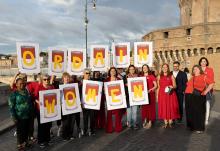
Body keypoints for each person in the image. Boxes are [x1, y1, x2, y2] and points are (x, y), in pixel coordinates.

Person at [185, 65, 214, 133]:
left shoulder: (204, 76)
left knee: (199, 112)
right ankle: (191, 126)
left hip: (199, 96)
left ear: (200, 69)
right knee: (190, 112)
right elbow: (188, 85)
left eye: (196, 69)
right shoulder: (192, 77)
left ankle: (199, 128)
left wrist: (206, 91)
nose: (195, 70)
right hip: (189, 95)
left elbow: (212, 83)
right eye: (194, 69)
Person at [8, 78, 33, 151]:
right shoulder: (14, 94)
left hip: (28, 115)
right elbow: (11, 107)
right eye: (20, 83)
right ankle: (20, 145)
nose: (22, 85)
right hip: (19, 116)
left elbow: (29, 102)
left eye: (23, 83)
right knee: (20, 131)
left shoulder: (26, 92)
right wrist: (13, 117)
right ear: (16, 85)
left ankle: (26, 142)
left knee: (27, 130)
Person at [34, 74, 54, 148]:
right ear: (42, 80)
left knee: (48, 125)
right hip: (41, 110)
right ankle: (41, 141)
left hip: (49, 109)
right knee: (41, 126)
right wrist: (38, 102)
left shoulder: (51, 87)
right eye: (45, 79)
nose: (46, 81)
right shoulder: (39, 87)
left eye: (48, 79)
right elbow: (35, 97)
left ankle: (47, 140)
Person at [157, 63, 180, 128]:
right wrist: (157, 96)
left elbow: (175, 85)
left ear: (168, 68)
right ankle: (165, 122)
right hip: (162, 94)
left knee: (170, 106)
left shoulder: (171, 76)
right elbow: (158, 87)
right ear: (161, 68)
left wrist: (172, 86)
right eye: (163, 67)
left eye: (166, 67)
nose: (164, 68)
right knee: (163, 107)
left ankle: (170, 121)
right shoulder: (159, 76)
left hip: (170, 94)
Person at [105, 67, 123, 133]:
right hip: (110, 99)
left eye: (114, 71)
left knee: (118, 114)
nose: (113, 72)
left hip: (117, 99)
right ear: (109, 72)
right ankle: (109, 128)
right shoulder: (106, 80)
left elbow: (121, 89)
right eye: (111, 71)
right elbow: (104, 89)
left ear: (116, 72)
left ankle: (118, 128)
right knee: (109, 114)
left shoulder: (118, 79)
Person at [199, 57, 215, 125]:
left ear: (206, 62)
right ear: (200, 62)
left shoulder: (210, 70)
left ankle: (206, 119)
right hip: (199, 89)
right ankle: (200, 118)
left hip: (207, 89)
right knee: (199, 105)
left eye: (204, 61)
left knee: (207, 104)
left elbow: (211, 80)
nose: (203, 62)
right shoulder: (198, 69)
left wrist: (205, 77)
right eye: (202, 61)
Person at [141, 64, 157, 129]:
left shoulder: (151, 76)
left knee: (150, 108)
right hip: (143, 95)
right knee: (144, 108)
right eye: (143, 68)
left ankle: (150, 121)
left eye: (146, 67)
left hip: (150, 94)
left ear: (148, 68)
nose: (145, 69)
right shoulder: (140, 76)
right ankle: (145, 120)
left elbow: (155, 86)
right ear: (142, 69)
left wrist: (151, 89)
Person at [80, 69, 96, 136]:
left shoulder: (92, 82)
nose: (88, 74)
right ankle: (85, 130)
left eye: (89, 73)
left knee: (92, 117)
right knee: (85, 117)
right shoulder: (80, 83)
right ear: (83, 74)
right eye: (86, 73)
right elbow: (79, 93)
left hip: (92, 102)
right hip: (84, 103)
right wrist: (80, 102)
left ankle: (92, 130)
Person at [125, 65, 139, 130]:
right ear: (128, 70)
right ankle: (129, 124)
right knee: (129, 112)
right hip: (128, 96)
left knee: (135, 111)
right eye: (130, 69)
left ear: (134, 70)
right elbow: (123, 86)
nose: (132, 70)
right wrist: (126, 85)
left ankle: (134, 124)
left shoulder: (138, 76)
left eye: (133, 69)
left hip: (136, 96)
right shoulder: (126, 77)